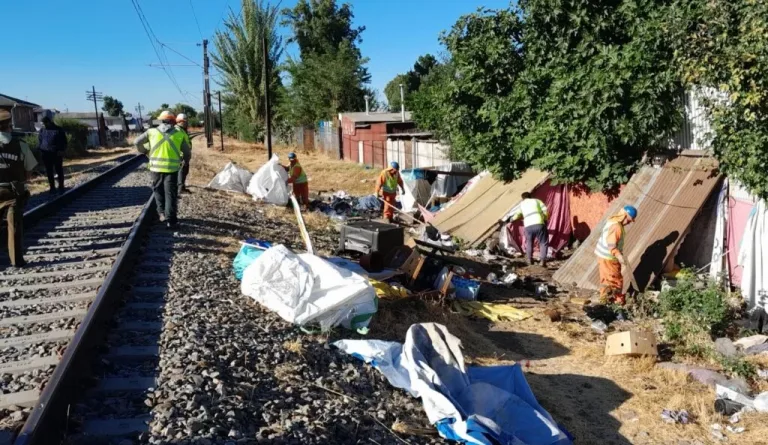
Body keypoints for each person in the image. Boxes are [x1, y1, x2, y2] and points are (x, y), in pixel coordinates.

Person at [134, 110, 190, 228]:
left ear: (160, 120)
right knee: (170, 193)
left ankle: (161, 214)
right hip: (172, 169)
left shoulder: (151, 132)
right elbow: (187, 152)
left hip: (155, 169)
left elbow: (136, 142)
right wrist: (185, 160)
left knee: (158, 191)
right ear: (173, 121)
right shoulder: (179, 133)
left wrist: (145, 151)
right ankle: (171, 220)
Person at [0, 110, 38, 267]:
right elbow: (29, 171)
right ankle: (16, 260)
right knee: (13, 227)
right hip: (12, 191)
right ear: (9, 126)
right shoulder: (21, 145)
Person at [594, 205, 637, 304]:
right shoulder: (616, 227)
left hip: (603, 256)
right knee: (615, 281)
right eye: (629, 220)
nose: (628, 223)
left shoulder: (613, 221)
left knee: (606, 281)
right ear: (624, 215)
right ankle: (617, 304)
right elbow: (611, 246)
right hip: (609, 258)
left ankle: (604, 302)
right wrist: (619, 256)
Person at [510, 192, 549, 266]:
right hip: (539, 223)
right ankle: (543, 261)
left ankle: (529, 260)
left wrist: (512, 219)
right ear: (530, 196)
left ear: (523, 198)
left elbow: (517, 214)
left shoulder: (522, 204)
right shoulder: (537, 201)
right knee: (543, 242)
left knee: (529, 242)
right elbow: (545, 210)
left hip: (528, 226)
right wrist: (545, 218)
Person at [38, 111, 68, 194]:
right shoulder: (42, 130)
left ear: (48, 122)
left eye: (44, 123)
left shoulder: (58, 129)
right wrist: (40, 149)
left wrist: (62, 150)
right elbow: (40, 140)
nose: (43, 125)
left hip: (56, 153)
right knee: (49, 171)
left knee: (59, 170)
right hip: (46, 153)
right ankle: (52, 187)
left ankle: (61, 186)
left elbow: (64, 141)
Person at [174, 113, 192, 195]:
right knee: (182, 171)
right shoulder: (177, 130)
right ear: (180, 121)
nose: (186, 123)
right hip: (181, 155)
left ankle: (182, 187)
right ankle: (180, 188)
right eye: (185, 121)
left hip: (185, 154)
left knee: (185, 171)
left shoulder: (182, 130)